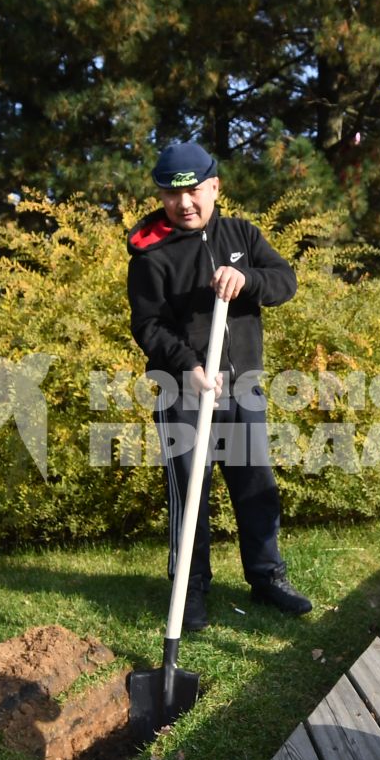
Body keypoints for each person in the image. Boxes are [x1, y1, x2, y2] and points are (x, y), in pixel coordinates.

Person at [126, 141, 312, 631]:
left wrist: (246, 279)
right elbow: (147, 325)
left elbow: (284, 282)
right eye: (171, 195)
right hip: (183, 391)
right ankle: (190, 590)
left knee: (257, 487)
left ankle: (267, 577)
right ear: (162, 196)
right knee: (191, 493)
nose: (183, 204)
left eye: (193, 192)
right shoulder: (151, 255)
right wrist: (186, 365)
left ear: (214, 187)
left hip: (242, 386)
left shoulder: (241, 234)